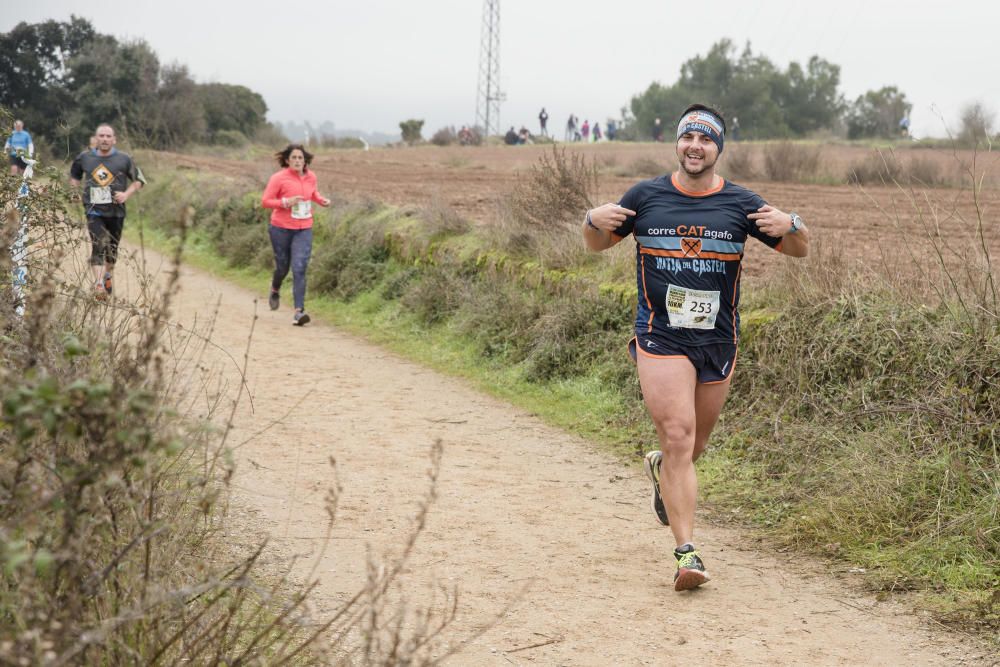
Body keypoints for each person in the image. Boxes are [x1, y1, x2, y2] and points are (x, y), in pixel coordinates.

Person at [582, 104, 809, 591]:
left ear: (717, 149)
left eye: (705, 140)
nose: (695, 146)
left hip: (718, 339)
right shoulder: (645, 197)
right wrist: (589, 219)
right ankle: (687, 553)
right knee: (680, 434)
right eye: (688, 137)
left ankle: (664, 471)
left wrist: (793, 223)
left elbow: (798, 249)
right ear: (678, 143)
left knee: (693, 447)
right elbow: (596, 244)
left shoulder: (741, 203)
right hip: (660, 336)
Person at [69, 124, 146, 299]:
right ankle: (98, 285)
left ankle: (107, 275)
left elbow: (139, 180)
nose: (104, 139)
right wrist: (74, 192)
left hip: (116, 212)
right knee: (98, 244)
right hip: (93, 210)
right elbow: (74, 176)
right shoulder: (85, 158)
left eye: (108, 136)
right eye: (101, 136)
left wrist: (126, 194)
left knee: (112, 250)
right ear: (96, 139)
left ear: (114, 139)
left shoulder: (124, 159)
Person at [261, 143, 331, 326]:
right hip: (280, 228)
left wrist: (320, 199)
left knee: (299, 267)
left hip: (304, 229)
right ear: (287, 160)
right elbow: (265, 201)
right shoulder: (278, 178)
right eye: (294, 158)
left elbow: (312, 193)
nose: (298, 161)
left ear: (305, 160)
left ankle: (299, 312)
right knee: (282, 268)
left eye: (300, 158)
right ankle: (275, 289)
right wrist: (286, 202)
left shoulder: (311, 177)